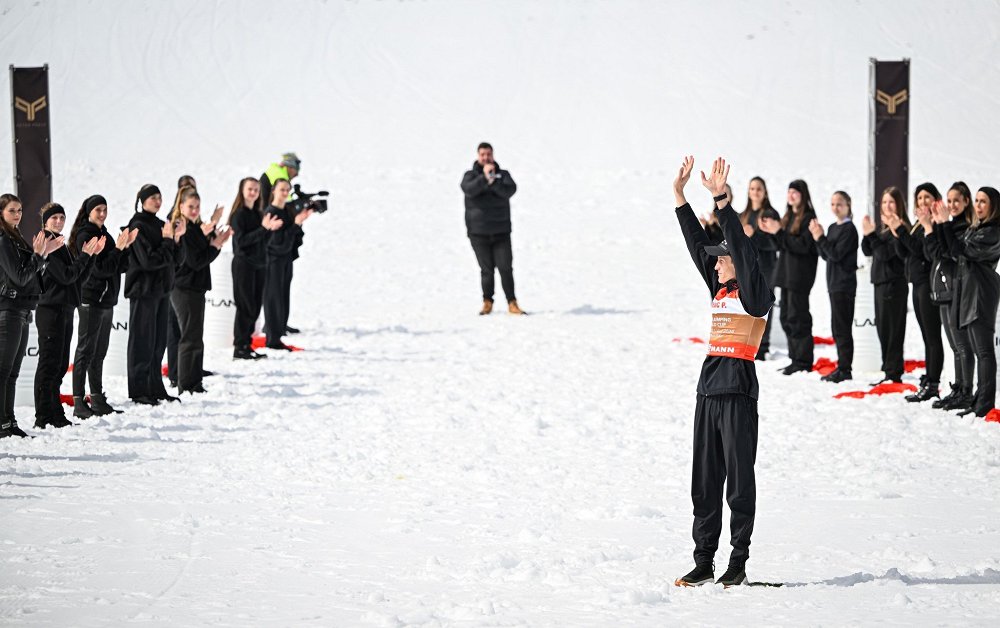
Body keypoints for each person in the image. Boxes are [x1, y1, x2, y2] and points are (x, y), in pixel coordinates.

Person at [672, 157, 773, 588]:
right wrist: (680, 198)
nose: (715, 265)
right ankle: (703, 560)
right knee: (705, 481)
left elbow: (744, 251)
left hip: (738, 393)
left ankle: (738, 560)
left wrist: (722, 201)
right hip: (708, 392)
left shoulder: (755, 295)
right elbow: (699, 246)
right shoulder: (720, 286)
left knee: (739, 484)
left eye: (722, 261)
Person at [32, 203, 103, 429]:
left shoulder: (60, 243)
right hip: (50, 309)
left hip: (64, 308)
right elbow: (65, 276)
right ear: (45, 221)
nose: (59, 221)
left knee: (61, 363)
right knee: (49, 363)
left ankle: (54, 411)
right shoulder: (48, 243)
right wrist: (84, 255)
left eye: (62, 217)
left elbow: (76, 279)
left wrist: (90, 257)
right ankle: (43, 414)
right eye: (54, 218)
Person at [0, 194, 63, 438]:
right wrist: (39, 255)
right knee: (4, 371)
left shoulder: (15, 238)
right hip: (8, 310)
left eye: (20, 210)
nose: (17, 215)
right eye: (12, 211)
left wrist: (42, 255)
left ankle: (9, 421)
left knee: (13, 372)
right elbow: (20, 276)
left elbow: (29, 274)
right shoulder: (4, 240)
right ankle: (3, 424)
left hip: (22, 309)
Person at [68, 195, 137, 417]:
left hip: (106, 300)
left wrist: (125, 248)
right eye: (98, 209)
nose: (102, 213)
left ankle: (96, 398)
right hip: (91, 299)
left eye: (105, 209)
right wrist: (117, 249)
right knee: (85, 350)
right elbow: (100, 270)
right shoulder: (85, 235)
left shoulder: (104, 234)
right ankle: (79, 401)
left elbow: (121, 266)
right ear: (88, 212)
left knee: (99, 353)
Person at [937, 186, 1000, 417]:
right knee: (977, 349)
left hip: (982, 292)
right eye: (977, 201)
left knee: (984, 352)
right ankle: (978, 400)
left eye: (984, 201)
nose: (979, 205)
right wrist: (939, 224)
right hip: (970, 291)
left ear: (993, 205)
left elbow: (961, 250)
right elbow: (950, 251)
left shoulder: (993, 231)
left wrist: (945, 224)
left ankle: (985, 402)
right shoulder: (978, 228)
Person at [125, 184, 185, 405]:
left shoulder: (162, 225)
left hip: (161, 290)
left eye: (160, 197)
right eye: (152, 198)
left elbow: (177, 260)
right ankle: (139, 390)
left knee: (158, 341)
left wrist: (177, 239)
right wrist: (168, 241)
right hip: (143, 291)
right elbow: (148, 261)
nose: (157, 201)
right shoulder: (137, 225)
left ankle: (155, 387)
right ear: (142, 200)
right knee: (142, 341)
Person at [170, 186, 232, 393]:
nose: (195, 210)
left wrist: (214, 243)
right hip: (184, 287)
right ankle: (186, 384)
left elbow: (201, 255)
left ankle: (194, 382)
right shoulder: (181, 226)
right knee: (189, 336)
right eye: (191, 206)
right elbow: (195, 260)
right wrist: (215, 246)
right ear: (181, 207)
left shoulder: (194, 226)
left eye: (197, 206)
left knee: (195, 336)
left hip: (195, 287)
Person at [758, 180, 818, 374]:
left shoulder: (808, 218)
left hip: (799, 276)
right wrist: (772, 232)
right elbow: (782, 244)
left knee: (798, 317)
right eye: (789, 191)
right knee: (787, 317)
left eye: (795, 192)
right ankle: (795, 358)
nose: (791, 195)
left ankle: (803, 361)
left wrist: (779, 232)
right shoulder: (789, 216)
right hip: (786, 274)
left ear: (803, 195)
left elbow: (801, 246)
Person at [926, 182, 975, 410]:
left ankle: (966, 391)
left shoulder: (965, 226)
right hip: (946, 291)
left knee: (962, 345)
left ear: (966, 201)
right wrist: (934, 226)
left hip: (959, 290)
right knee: (955, 345)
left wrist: (941, 224)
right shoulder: (951, 224)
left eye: (957, 200)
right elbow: (934, 252)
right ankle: (959, 388)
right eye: (950, 200)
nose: (953, 205)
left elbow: (950, 252)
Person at [461, 142, 524, 315]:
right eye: (482, 154)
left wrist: (494, 181)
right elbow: (469, 190)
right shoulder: (470, 176)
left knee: (505, 268)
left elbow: (509, 190)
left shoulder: (502, 175)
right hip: (478, 232)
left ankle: (512, 302)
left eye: (488, 154)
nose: (486, 157)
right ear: (478, 156)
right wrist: (484, 178)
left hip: (501, 231)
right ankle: (487, 302)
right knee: (486, 270)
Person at [899, 183, 945, 401]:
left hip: (929, 284)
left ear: (935, 199)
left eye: (927, 197)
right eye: (919, 198)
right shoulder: (919, 224)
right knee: (927, 336)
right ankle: (930, 376)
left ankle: (934, 383)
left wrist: (900, 231)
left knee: (933, 336)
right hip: (917, 284)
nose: (922, 201)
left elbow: (924, 252)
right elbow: (907, 252)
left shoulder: (934, 223)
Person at [229, 177, 282, 359]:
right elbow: (241, 242)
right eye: (250, 189)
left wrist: (268, 230)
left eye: (256, 190)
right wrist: (263, 229)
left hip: (259, 265)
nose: (253, 193)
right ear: (242, 191)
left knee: (255, 306)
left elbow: (262, 240)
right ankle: (240, 346)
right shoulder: (238, 215)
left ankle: (247, 343)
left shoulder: (258, 214)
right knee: (245, 306)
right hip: (244, 265)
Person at [808, 191, 859, 382]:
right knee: (836, 327)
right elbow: (826, 254)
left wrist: (821, 238)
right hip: (833, 283)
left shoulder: (849, 229)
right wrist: (817, 237)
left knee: (843, 327)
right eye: (833, 204)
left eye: (840, 204)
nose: (836, 207)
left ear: (848, 205)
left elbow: (836, 254)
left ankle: (845, 368)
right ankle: (841, 365)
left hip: (844, 285)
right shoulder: (832, 227)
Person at [861, 187, 910, 383]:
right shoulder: (883, 228)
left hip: (894, 284)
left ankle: (894, 371)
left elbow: (885, 254)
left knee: (893, 329)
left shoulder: (900, 228)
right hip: (880, 283)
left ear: (899, 205)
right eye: (884, 202)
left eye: (891, 202)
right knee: (883, 328)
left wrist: (872, 236)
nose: (887, 206)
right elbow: (868, 251)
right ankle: (888, 369)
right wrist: (867, 234)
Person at [263, 179, 312, 350]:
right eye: (282, 189)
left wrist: (298, 224)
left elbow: (292, 241)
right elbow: (277, 243)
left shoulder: (286, 210)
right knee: (273, 297)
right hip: (273, 261)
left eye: (287, 190)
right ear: (274, 191)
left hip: (285, 260)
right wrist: (296, 225)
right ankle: (272, 336)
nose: (285, 193)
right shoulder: (271, 212)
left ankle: (279, 331)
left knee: (283, 296)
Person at [739, 177, 781, 360]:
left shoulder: (770, 214)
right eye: (752, 188)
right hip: (747, 268)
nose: (755, 192)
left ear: (765, 192)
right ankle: (747, 343)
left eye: (758, 189)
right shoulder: (744, 215)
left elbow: (775, 243)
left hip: (766, 267)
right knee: (746, 305)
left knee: (763, 306)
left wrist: (754, 235)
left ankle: (762, 347)